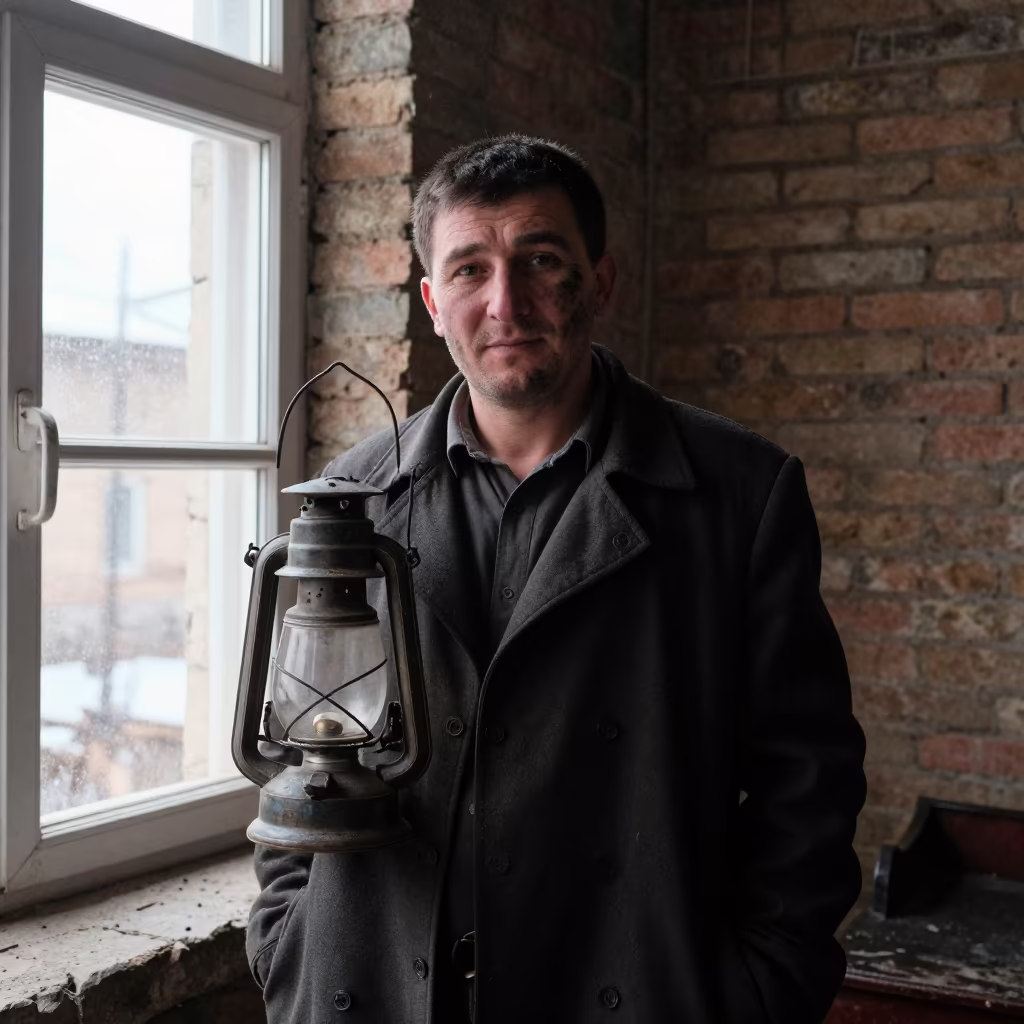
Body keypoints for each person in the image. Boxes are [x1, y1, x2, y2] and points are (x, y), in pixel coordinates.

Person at [246, 134, 867, 1024]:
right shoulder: (351, 502)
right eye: (469, 270)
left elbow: (808, 783)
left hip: (635, 993)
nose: (506, 302)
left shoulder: (741, 494)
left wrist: (759, 990)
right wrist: (291, 941)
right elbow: (296, 755)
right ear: (431, 301)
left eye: (541, 260)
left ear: (601, 282)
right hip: (376, 991)